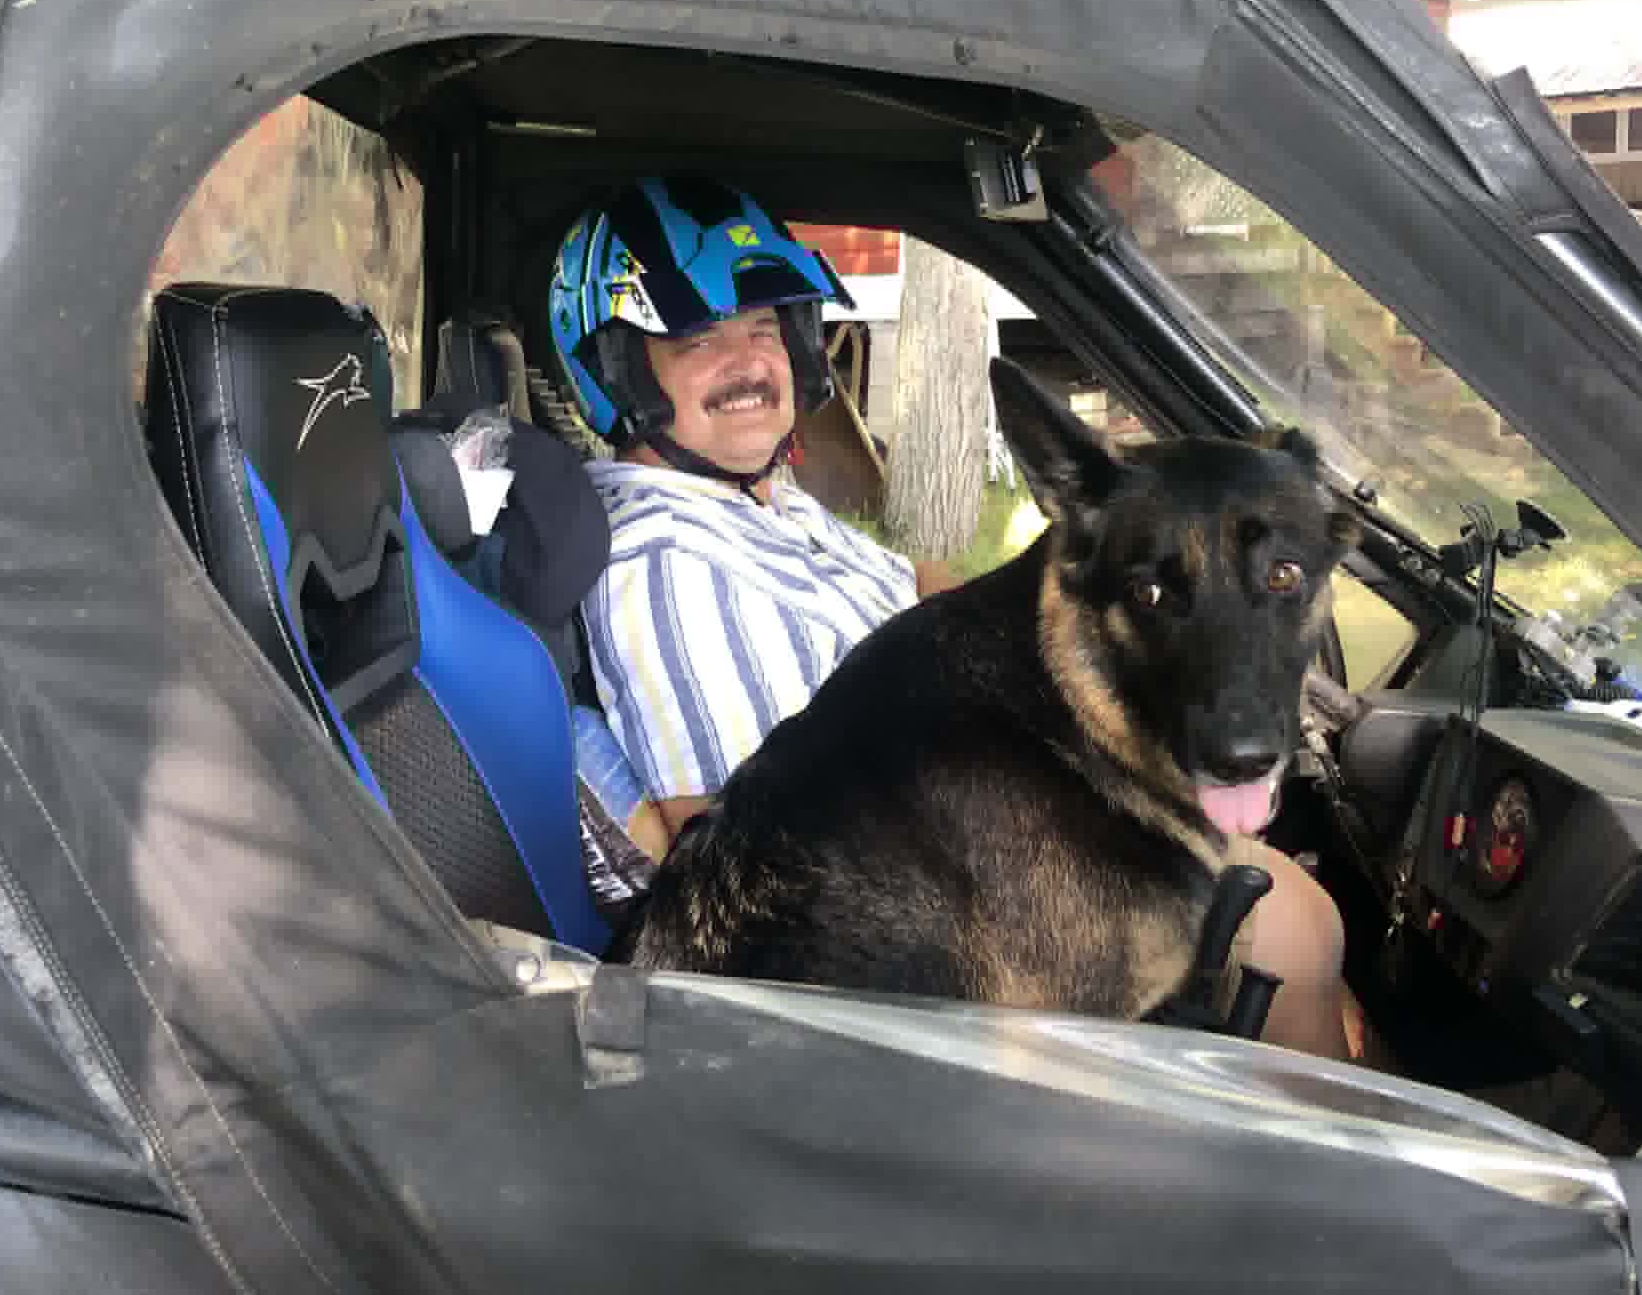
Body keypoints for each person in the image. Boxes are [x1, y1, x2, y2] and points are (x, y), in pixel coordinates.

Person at [548, 175, 1357, 1060]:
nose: (750, 362)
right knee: (1304, 930)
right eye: (700, 339)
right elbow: (757, 845)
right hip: (924, 950)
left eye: (766, 328)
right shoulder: (667, 559)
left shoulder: (766, 507)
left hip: (969, 832)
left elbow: (927, 587)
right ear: (621, 371)